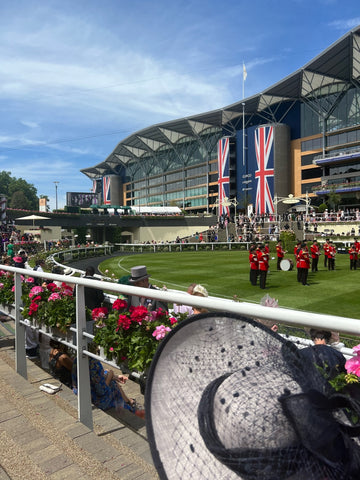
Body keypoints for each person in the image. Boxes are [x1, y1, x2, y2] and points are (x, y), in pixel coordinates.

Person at [72, 357, 145, 418]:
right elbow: (101, 391)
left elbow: (95, 378)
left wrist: (113, 376)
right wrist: (110, 376)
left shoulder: (77, 359)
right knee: (113, 384)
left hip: (83, 392)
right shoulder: (94, 363)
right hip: (96, 400)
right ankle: (129, 405)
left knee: (109, 376)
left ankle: (129, 402)